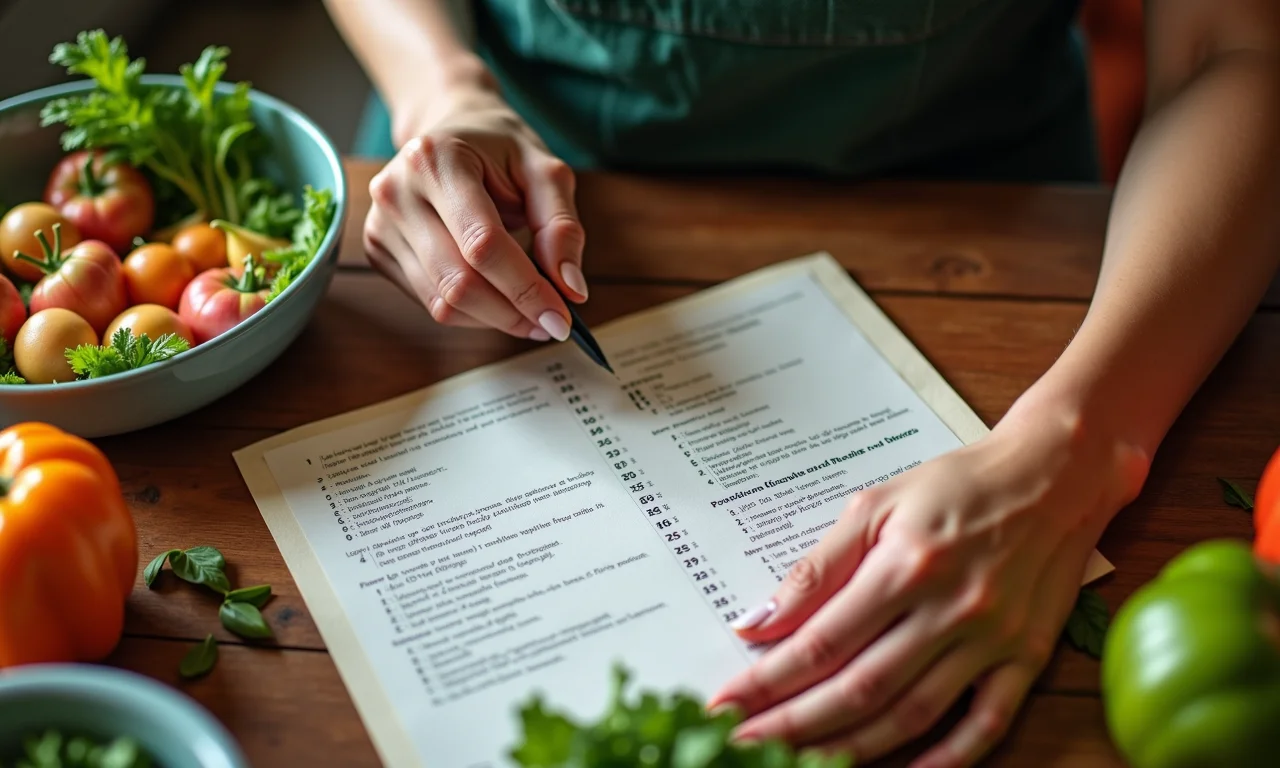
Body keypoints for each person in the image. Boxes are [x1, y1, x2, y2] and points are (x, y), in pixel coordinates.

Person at [323, 1, 1280, 765]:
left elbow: (1229, 48)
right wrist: (442, 92)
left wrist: (1082, 439)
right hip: (499, 182)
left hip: (994, 220)